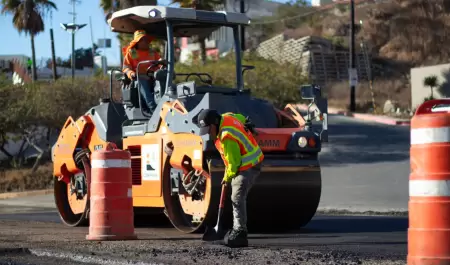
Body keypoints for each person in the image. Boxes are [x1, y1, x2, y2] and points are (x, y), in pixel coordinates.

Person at [194, 109, 264, 248]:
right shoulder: (227, 116)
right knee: (236, 195)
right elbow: (241, 117)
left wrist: (226, 178)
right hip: (249, 159)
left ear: (214, 124)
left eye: (209, 129)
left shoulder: (226, 137)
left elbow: (234, 164)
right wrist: (247, 123)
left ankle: (240, 233)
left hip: (248, 165)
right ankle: (235, 227)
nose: (208, 133)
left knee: (236, 197)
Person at [122, 30, 162, 114]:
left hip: (153, 77)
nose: (145, 42)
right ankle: (154, 110)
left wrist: (162, 63)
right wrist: (131, 73)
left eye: (146, 39)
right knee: (142, 83)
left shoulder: (152, 52)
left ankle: (165, 105)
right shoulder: (131, 53)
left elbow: (160, 63)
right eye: (142, 40)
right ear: (137, 42)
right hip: (138, 78)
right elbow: (126, 67)